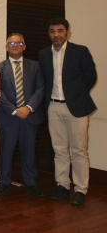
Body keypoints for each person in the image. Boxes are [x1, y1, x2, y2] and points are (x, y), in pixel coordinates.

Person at [39, 18, 97, 206]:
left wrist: (76, 96)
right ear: (49, 34)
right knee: (59, 150)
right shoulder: (44, 54)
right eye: (52, 31)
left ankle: (80, 189)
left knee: (79, 150)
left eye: (60, 31)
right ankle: (62, 185)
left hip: (76, 107)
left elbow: (90, 77)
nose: (56, 34)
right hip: (54, 106)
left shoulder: (80, 51)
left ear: (67, 32)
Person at [0, 33, 45, 197]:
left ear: (24, 46)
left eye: (19, 42)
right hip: (8, 116)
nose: (15, 45)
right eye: (11, 43)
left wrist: (28, 107)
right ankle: (4, 181)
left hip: (29, 116)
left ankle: (30, 182)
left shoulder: (35, 66)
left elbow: (40, 89)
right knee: (6, 151)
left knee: (29, 151)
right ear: (6, 47)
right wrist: (15, 110)